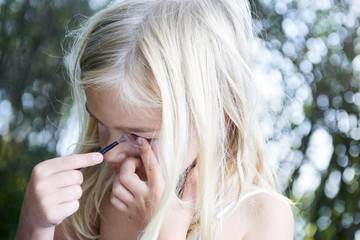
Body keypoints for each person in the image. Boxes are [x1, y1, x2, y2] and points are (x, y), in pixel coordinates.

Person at [16, 0, 294, 239]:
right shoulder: (92, 191)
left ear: (219, 121)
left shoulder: (261, 217)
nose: (110, 153)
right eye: (100, 122)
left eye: (140, 136)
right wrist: (35, 226)